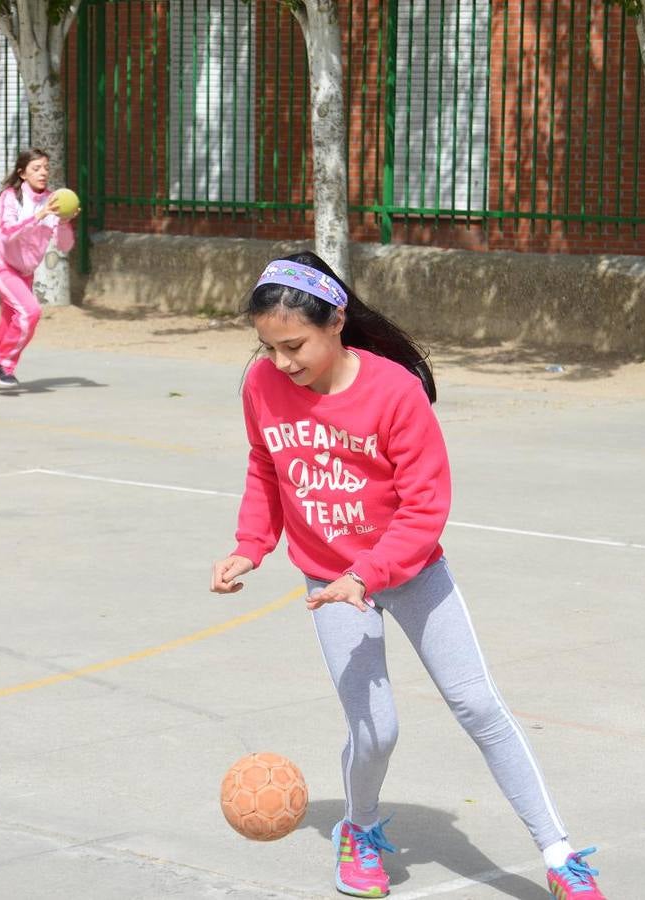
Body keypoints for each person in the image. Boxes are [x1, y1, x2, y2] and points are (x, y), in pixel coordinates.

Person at [210, 252, 607, 900]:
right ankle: (357, 831)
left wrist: (369, 574)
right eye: (268, 346)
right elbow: (264, 466)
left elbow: (425, 507)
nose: (281, 362)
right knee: (376, 728)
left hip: (409, 571)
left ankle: (559, 854)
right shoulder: (261, 386)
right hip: (328, 581)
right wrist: (250, 545)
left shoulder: (392, 390)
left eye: (294, 345)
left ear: (335, 320)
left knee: (478, 705)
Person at [0, 148, 74, 391]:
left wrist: (63, 223)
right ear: (22, 174)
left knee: (8, 327)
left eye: (45, 168)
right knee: (30, 312)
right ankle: (2, 364)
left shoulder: (53, 200)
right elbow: (8, 233)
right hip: (1, 265)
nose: (43, 173)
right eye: (36, 168)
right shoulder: (10, 197)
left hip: (24, 272)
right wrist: (39, 215)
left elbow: (65, 245)